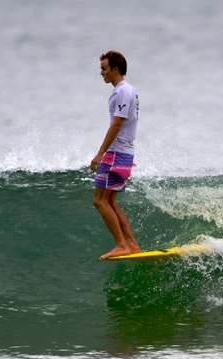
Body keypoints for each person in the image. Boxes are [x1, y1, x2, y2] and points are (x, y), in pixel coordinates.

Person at [90, 50, 141, 259]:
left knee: (99, 201)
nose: (101, 73)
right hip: (123, 152)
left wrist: (100, 154)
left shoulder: (123, 91)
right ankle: (131, 244)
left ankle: (121, 244)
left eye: (104, 68)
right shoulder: (127, 90)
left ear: (115, 68)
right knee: (109, 201)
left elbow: (117, 124)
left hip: (117, 153)